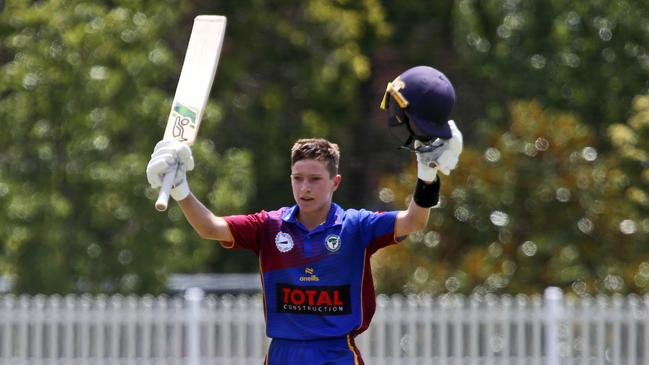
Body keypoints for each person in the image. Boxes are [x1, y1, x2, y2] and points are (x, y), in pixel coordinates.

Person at [146, 65, 463, 365]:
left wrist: (427, 174)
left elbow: (414, 221)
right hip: (284, 353)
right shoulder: (269, 226)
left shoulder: (356, 227)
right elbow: (210, 228)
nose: (305, 188)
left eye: (315, 179)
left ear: (334, 182)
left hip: (336, 353)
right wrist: (181, 191)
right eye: (298, 178)